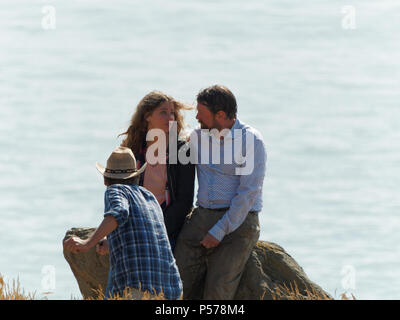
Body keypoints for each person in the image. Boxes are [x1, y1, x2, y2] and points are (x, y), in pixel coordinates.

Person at [174, 85, 267, 300]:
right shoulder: (198, 136)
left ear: (221, 115)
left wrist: (219, 230)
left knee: (218, 289)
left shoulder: (251, 141)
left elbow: (248, 193)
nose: (196, 117)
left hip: (240, 220)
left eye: (201, 113)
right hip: (202, 215)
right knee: (175, 279)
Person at [63, 146, 183, 300]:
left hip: (137, 287)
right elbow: (146, 236)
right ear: (136, 176)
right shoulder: (149, 197)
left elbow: (119, 212)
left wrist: (87, 243)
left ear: (106, 180)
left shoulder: (116, 190)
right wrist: (111, 242)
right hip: (170, 289)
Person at [118, 91, 195, 252]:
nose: (170, 118)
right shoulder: (133, 148)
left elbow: (184, 201)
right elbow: (119, 193)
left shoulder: (182, 150)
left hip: (168, 230)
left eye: (172, 113)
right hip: (135, 223)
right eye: (163, 113)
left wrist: (156, 230)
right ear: (147, 116)